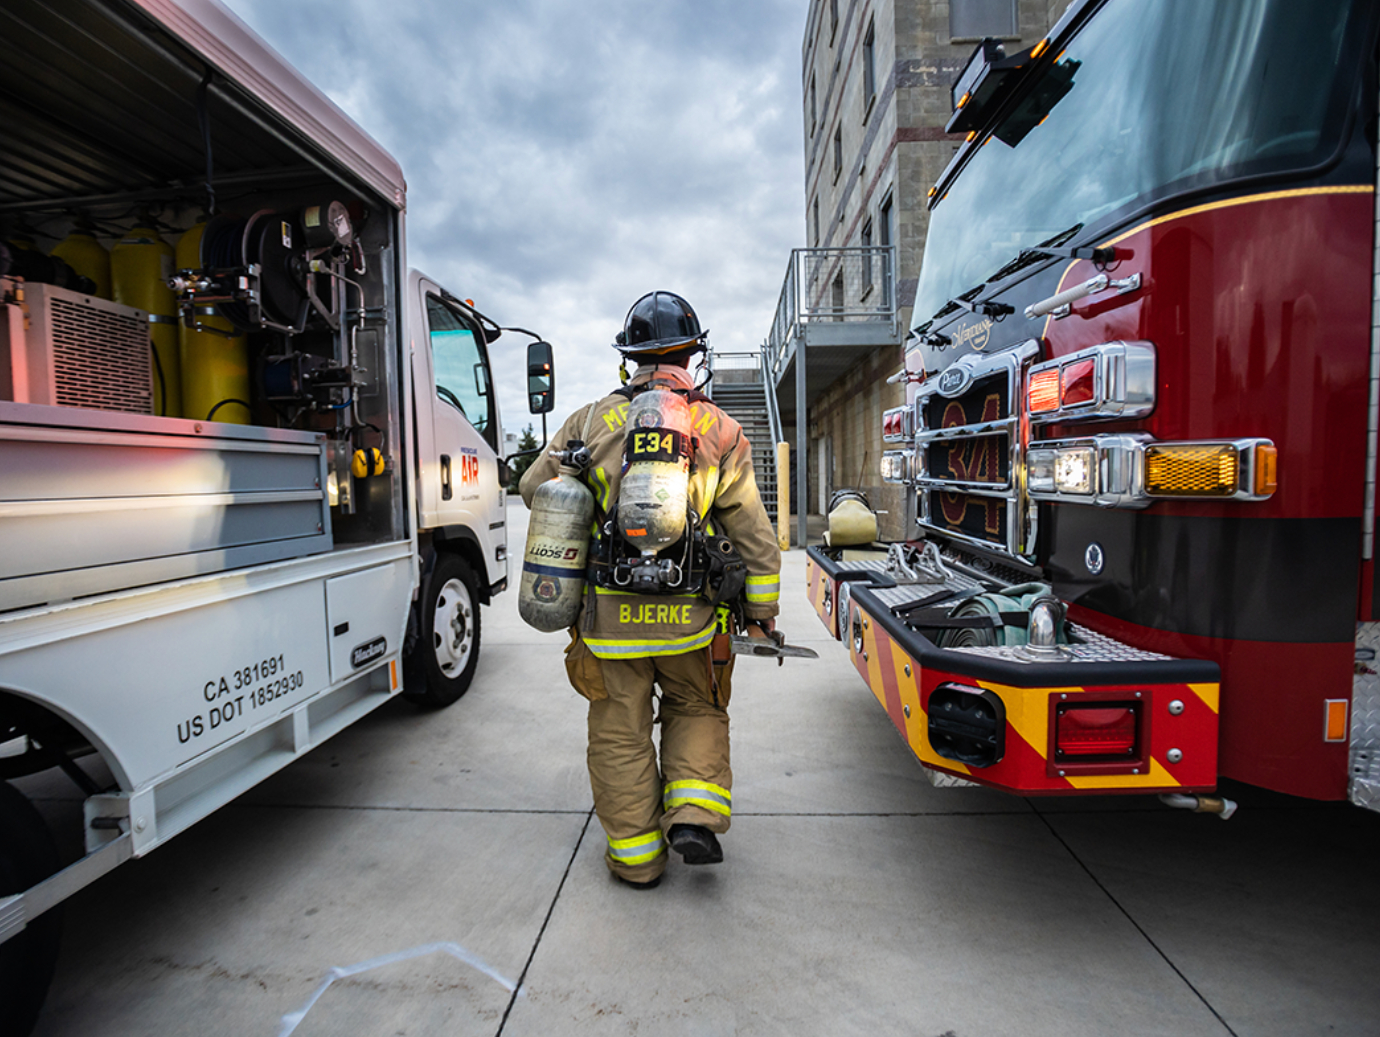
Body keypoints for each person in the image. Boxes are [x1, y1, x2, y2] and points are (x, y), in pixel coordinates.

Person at [519, 290, 781, 889]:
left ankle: (636, 862)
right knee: (696, 707)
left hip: (609, 624)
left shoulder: (588, 421)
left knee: (618, 731)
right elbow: (754, 536)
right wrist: (761, 611)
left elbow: (535, 489)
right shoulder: (720, 428)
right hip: (692, 620)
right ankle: (692, 816)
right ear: (693, 355)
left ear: (628, 359)